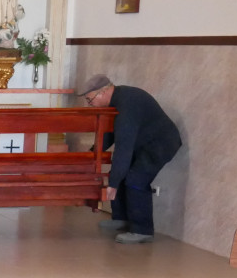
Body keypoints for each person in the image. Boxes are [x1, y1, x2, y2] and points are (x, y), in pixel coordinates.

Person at [78, 74, 182, 244]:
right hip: (144, 143)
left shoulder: (127, 104)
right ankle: (121, 219)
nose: (90, 104)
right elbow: (111, 134)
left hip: (161, 144)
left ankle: (143, 230)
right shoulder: (118, 100)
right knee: (119, 173)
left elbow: (123, 147)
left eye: (90, 100)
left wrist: (112, 184)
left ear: (102, 93)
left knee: (136, 179)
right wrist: (91, 154)